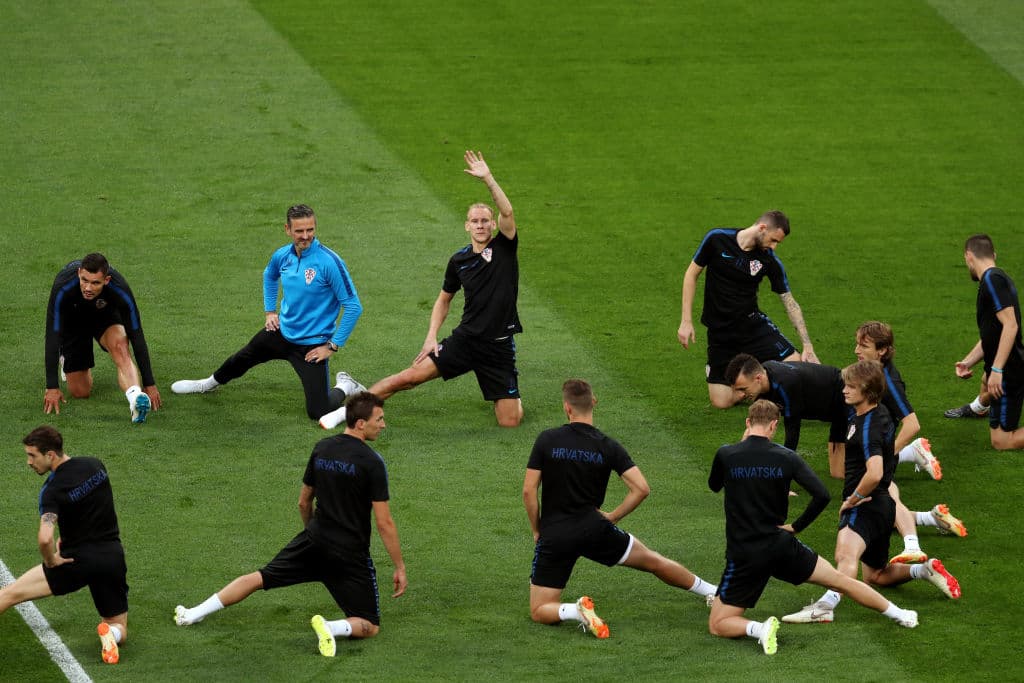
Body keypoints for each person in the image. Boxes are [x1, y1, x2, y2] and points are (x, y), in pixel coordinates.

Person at [174, 392, 406, 656]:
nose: (384, 425)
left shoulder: (322, 448)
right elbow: (384, 522)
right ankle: (330, 627)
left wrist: (313, 536)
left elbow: (304, 502)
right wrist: (399, 566)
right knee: (370, 625)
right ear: (361, 423)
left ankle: (193, 613)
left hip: (314, 540)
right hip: (349, 554)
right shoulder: (372, 463)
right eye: (379, 419)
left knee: (259, 578)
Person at [320, 151, 523, 429]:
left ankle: (509, 395)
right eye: (474, 221)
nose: (480, 225)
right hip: (467, 341)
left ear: (493, 224)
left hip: (499, 347)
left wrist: (488, 179)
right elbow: (443, 300)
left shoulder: (504, 247)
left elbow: (507, 211)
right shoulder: (459, 261)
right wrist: (431, 337)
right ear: (466, 225)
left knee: (510, 421)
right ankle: (348, 409)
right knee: (409, 378)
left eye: (485, 221)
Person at [708, 400, 918, 656]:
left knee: (718, 623)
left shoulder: (726, 454)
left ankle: (759, 628)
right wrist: (796, 527)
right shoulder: (786, 457)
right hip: (781, 544)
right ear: (774, 425)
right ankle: (901, 614)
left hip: (745, 553)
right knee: (842, 581)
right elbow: (821, 495)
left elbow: (714, 485)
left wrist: (740, 452)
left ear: (747, 422)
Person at [523, 379, 717, 639]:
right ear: (593, 402)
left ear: (566, 407)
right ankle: (712, 591)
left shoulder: (547, 439)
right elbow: (641, 488)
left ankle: (575, 611)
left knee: (540, 609)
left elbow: (529, 491)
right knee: (654, 561)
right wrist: (613, 517)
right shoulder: (607, 446)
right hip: (594, 528)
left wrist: (537, 529)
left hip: (555, 533)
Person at [782, 361, 961, 626]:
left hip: (865, 503)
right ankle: (922, 570)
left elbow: (875, 472)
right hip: (884, 506)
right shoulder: (879, 413)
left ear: (868, 391)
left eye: (851, 387)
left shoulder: (867, 427)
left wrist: (853, 499)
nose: (844, 390)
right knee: (875, 575)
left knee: (845, 557)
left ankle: (825, 606)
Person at [171, 204, 362, 420]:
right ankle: (207, 384)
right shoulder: (282, 255)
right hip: (282, 331)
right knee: (241, 358)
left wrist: (332, 346)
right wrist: (270, 312)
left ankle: (345, 385)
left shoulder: (330, 262)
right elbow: (270, 275)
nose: (305, 236)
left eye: (310, 229)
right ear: (287, 229)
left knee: (318, 411)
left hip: (311, 345)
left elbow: (353, 306)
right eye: (299, 231)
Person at [0, 426, 129, 664]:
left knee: (8, 595)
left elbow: (45, 538)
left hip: (74, 561)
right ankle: (111, 635)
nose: (29, 462)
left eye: (32, 455)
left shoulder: (52, 490)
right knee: (117, 624)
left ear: (50, 455)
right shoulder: (95, 466)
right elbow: (92, 507)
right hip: (111, 557)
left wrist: (51, 560)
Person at [676, 211, 819, 409]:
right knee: (721, 402)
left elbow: (789, 302)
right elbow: (691, 275)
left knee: (795, 367)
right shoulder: (717, 239)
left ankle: (760, 380)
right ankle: (750, 382)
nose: (774, 246)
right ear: (762, 228)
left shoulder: (769, 260)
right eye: (773, 240)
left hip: (752, 327)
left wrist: (807, 345)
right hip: (720, 334)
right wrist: (686, 321)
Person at [852, 321, 967, 564]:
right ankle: (931, 518)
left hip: (880, 451)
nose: (856, 350)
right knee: (874, 511)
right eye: (857, 344)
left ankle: (912, 546)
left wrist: (888, 455)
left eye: (864, 346)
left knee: (887, 500)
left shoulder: (888, 382)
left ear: (882, 350)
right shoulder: (872, 373)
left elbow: (912, 424)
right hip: (874, 447)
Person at [44, 253, 160, 423]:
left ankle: (135, 399)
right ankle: (65, 356)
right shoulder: (63, 286)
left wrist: (149, 384)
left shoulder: (119, 288)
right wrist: (52, 386)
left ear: (106, 280)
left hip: (104, 316)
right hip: (73, 322)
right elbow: (52, 335)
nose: (88, 288)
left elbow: (137, 335)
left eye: (95, 283)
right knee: (81, 392)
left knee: (121, 347)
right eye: (84, 280)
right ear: (78, 273)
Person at [948, 234, 1024, 449]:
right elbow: (992, 335)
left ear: (968, 256)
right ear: (994, 255)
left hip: (1010, 370)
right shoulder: (996, 278)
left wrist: (998, 370)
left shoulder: (992, 280)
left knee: (1001, 441)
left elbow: (1011, 325)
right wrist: (968, 362)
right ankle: (978, 408)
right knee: (986, 379)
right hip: (1010, 363)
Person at [725, 353, 847, 478]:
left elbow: (792, 431)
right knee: (837, 474)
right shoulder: (762, 381)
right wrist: (740, 455)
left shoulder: (786, 384)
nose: (741, 395)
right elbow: (757, 426)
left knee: (849, 467)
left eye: (743, 389)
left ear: (758, 378)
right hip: (833, 411)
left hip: (845, 398)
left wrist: (783, 470)